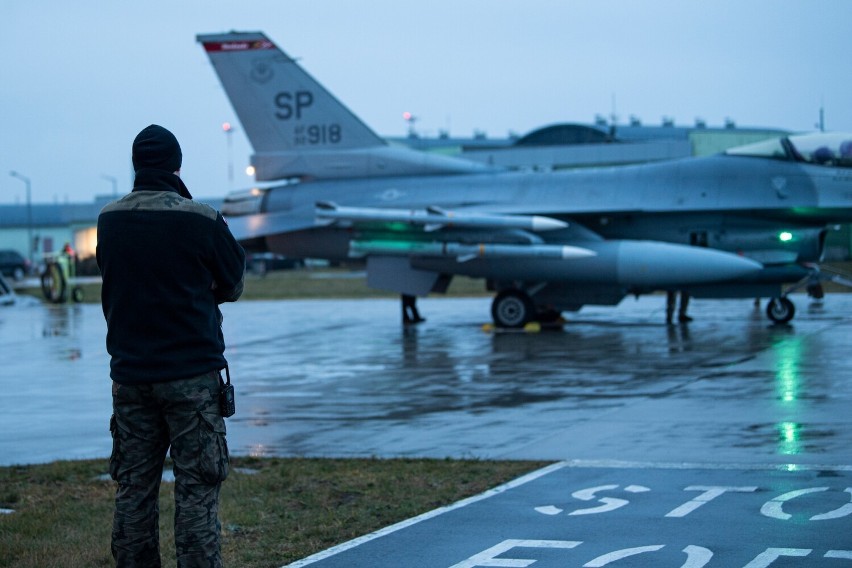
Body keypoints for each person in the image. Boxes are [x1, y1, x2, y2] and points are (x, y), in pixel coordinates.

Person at [97, 124, 245, 567]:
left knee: (133, 490)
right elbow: (234, 283)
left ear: (136, 166)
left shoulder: (110, 219)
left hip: (131, 377)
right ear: (176, 166)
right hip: (191, 379)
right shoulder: (200, 218)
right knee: (197, 490)